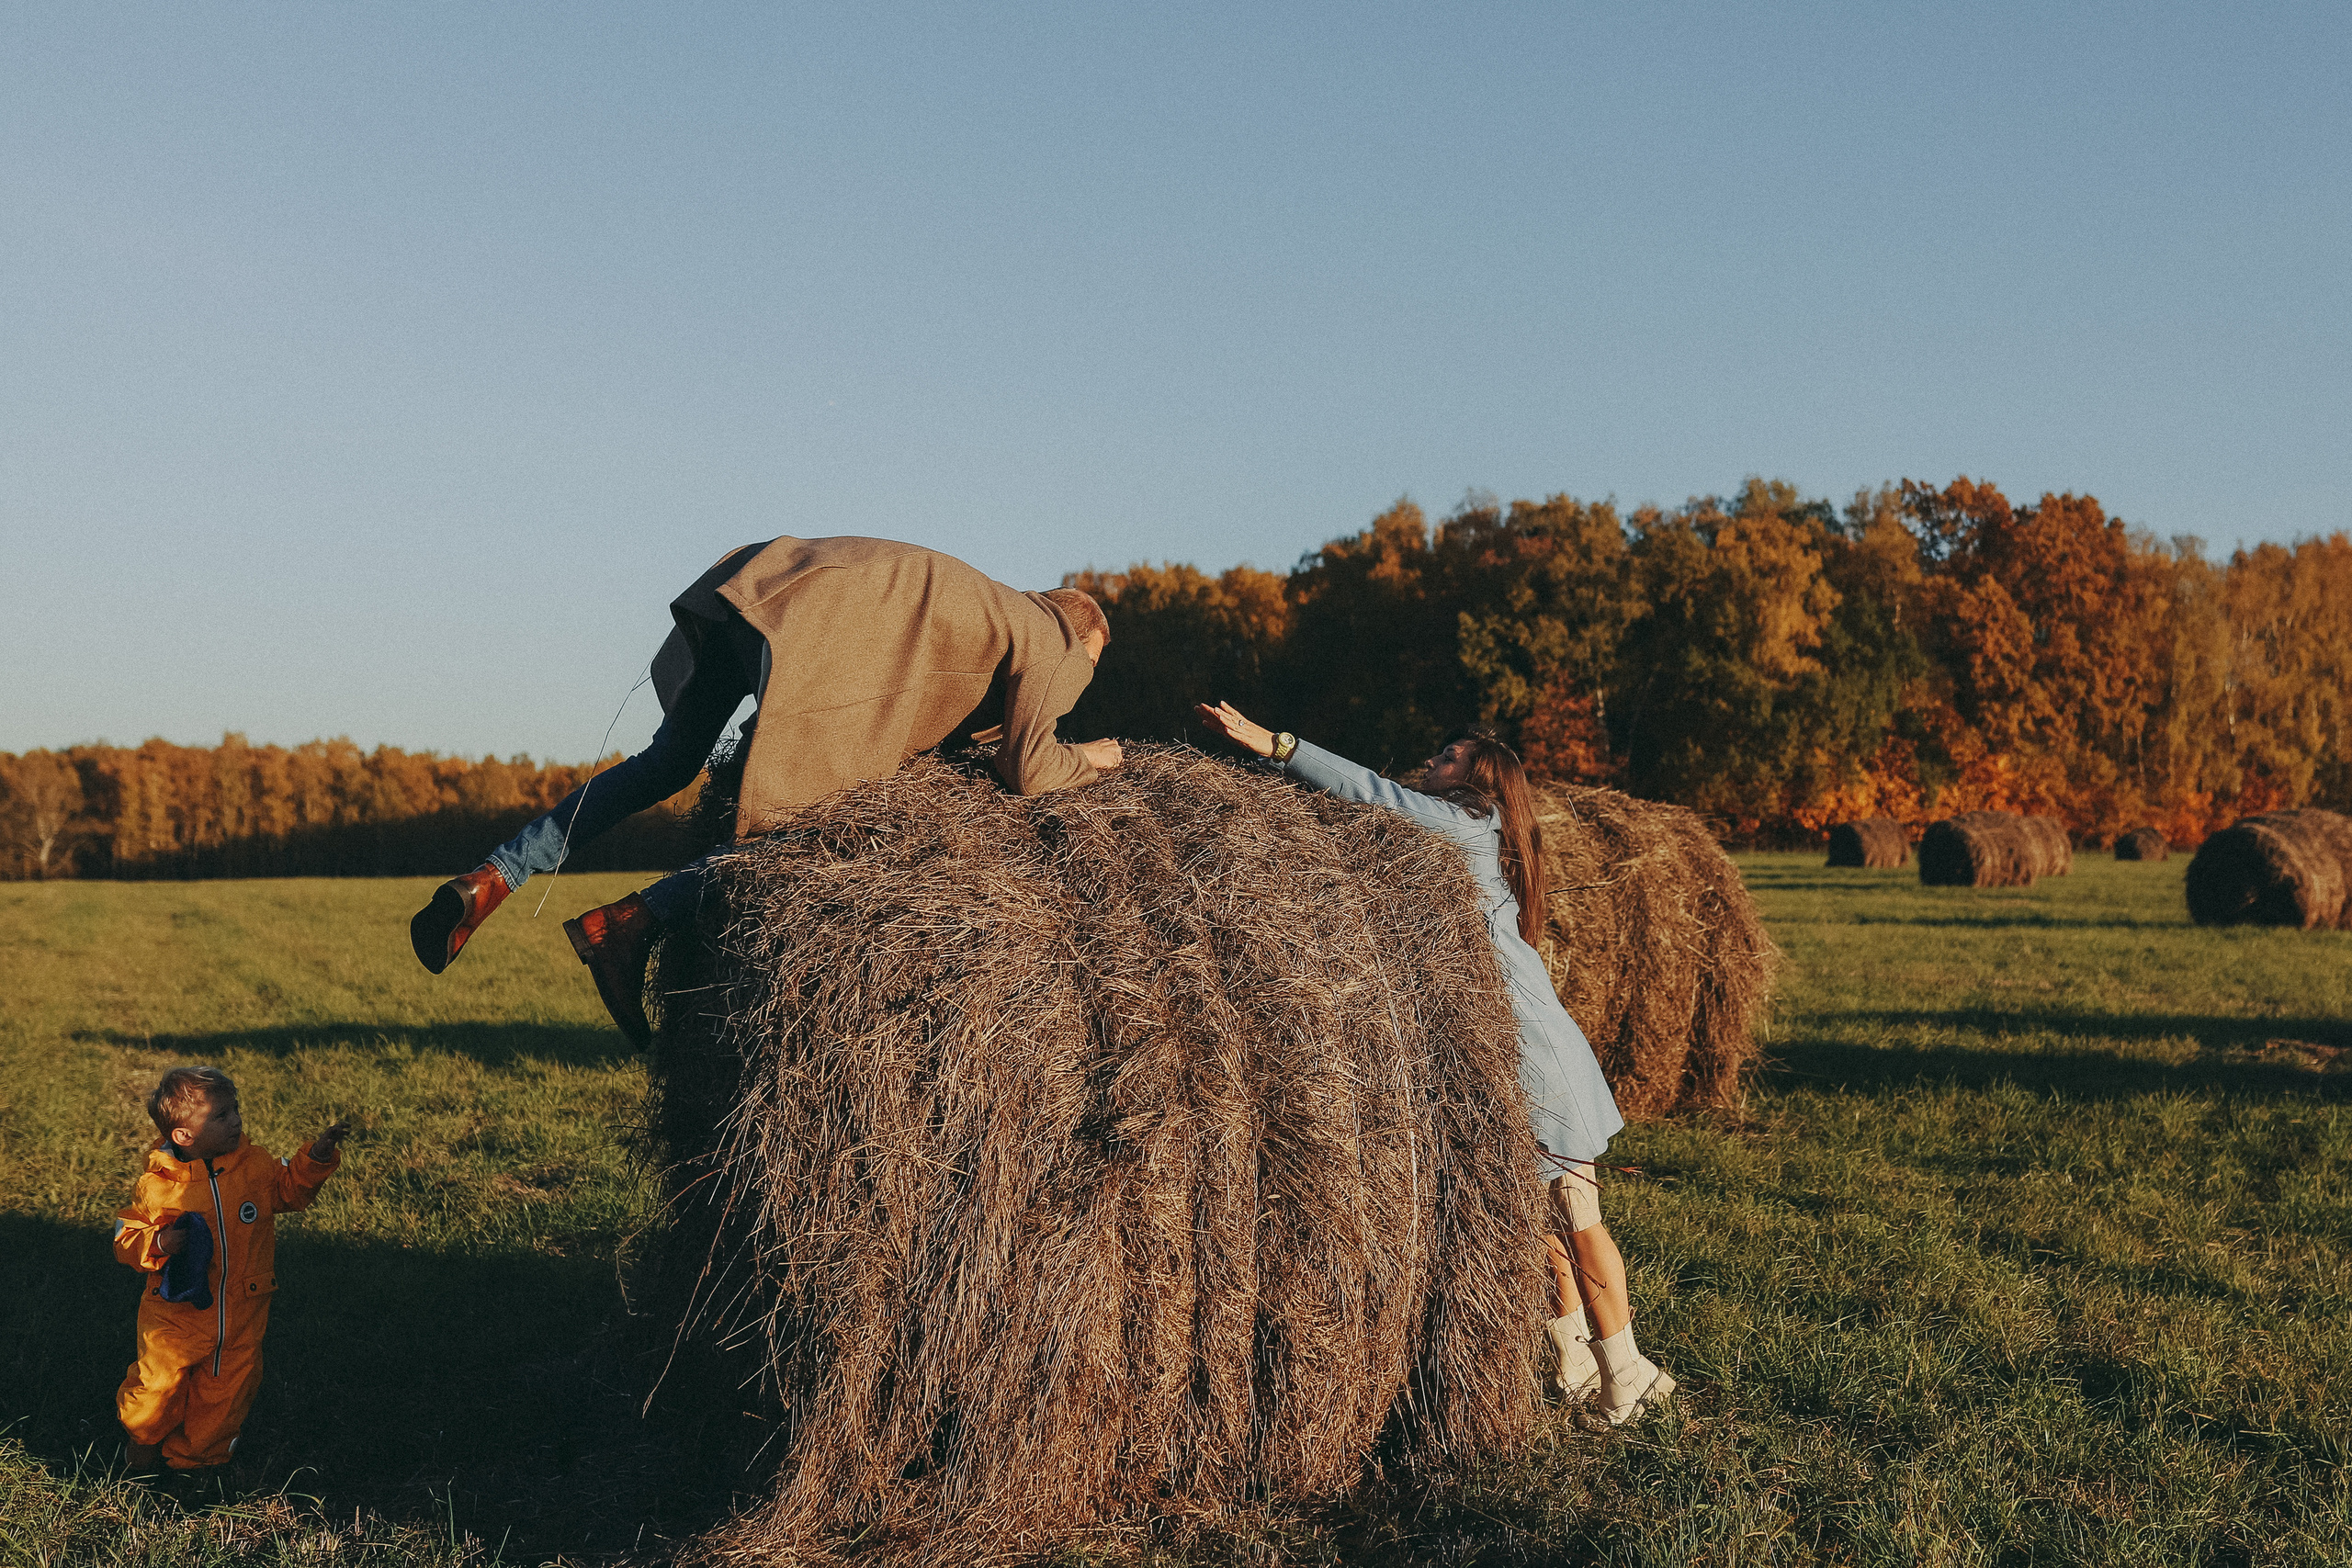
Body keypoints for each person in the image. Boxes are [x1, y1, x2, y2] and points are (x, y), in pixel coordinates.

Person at [410, 536, 1125, 1043]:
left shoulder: (995, 607)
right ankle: (628, 923)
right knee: (807, 824)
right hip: (830, 632)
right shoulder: (1061, 638)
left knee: (666, 762)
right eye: (1092, 669)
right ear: (1085, 632)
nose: (1080, 683)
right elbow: (1029, 767)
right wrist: (1093, 756)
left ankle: (494, 876)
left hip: (769, 585)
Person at [1192, 704, 1674, 1424]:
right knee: (1543, 1223)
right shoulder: (1469, 832)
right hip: (1515, 1049)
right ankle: (1577, 1360)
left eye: (1446, 757)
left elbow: (1371, 792)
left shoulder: (1465, 822)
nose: (1431, 763)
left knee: (1578, 1218)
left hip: (1538, 1058)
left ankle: (1629, 1371)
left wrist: (1279, 744)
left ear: (1476, 776)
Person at [113, 1066, 349, 1491]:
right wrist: (162, 1243)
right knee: (154, 1391)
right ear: (184, 1135)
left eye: (235, 1109)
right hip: (176, 1316)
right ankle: (141, 1450)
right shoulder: (158, 1186)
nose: (236, 1120)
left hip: (241, 1312)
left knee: (223, 1398)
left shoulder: (253, 1165)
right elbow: (125, 1237)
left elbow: (289, 1190)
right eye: (220, 1116)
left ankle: (194, 1468)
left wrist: (315, 1159)